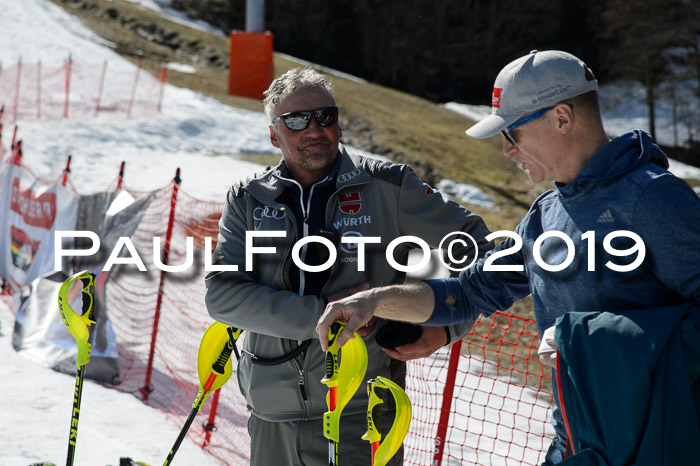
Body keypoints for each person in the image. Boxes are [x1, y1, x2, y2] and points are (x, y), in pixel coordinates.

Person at [316, 50, 700, 465]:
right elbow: (467, 292)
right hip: (577, 440)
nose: (505, 150)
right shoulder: (545, 215)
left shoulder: (653, 198)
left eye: (512, 133)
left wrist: (590, 340)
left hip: (662, 442)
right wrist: (372, 300)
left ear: (562, 118)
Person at [205, 67, 493, 465]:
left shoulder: (389, 187)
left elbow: (480, 249)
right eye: (296, 120)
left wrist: (447, 326)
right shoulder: (248, 200)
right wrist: (328, 315)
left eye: (326, 116)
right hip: (273, 416)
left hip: (364, 417)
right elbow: (223, 296)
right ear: (274, 134)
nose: (314, 129)